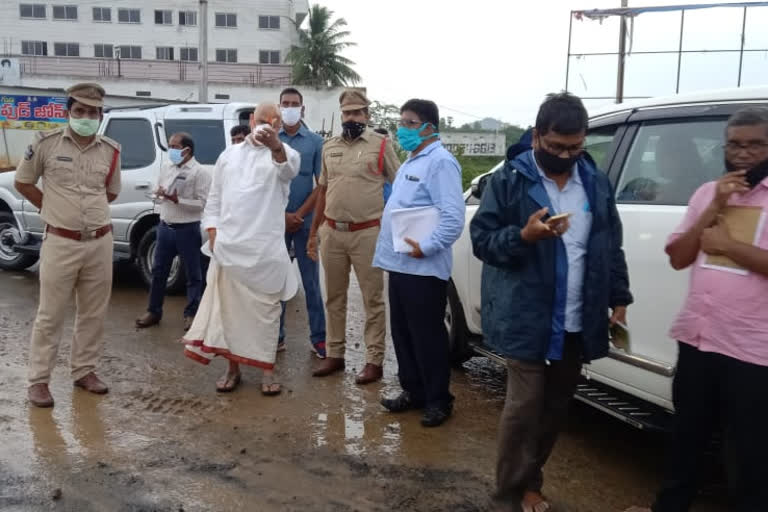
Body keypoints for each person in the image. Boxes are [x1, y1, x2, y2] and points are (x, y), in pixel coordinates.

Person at [470, 92, 632, 512]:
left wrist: (619, 297)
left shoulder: (594, 181)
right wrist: (522, 237)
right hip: (527, 311)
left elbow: (610, 243)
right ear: (538, 136)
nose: (565, 155)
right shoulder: (510, 180)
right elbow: (482, 241)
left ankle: (530, 483)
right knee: (523, 409)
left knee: (556, 408)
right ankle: (506, 495)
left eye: (575, 147)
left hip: (576, 315)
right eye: (556, 146)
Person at [625, 108, 768, 512]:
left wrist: (729, 247)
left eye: (755, 144)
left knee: (750, 456)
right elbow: (679, 257)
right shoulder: (706, 193)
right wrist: (715, 205)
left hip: (753, 351)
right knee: (685, 441)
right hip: (699, 339)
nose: (744, 154)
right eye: (736, 145)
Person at [14, 83, 122, 408]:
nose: (86, 117)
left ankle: (84, 371)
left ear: (101, 115)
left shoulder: (111, 150)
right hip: (60, 241)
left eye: (93, 112)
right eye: (80, 111)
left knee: (93, 313)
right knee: (50, 314)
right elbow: (23, 181)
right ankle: (39, 381)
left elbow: (111, 192)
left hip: (100, 241)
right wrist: (51, 208)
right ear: (68, 112)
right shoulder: (45, 144)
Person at [181, 103, 299, 396]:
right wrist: (212, 232)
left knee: (267, 315)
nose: (266, 126)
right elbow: (215, 200)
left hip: (266, 252)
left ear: (280, 126)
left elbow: (287, 171)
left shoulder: (285, 154)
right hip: (229, 248)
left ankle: (267, 371)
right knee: (229, 314)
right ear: (250, 120)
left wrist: (275, 147)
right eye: (261, 120)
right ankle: (232, 369)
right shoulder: (228, 155)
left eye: (274, 123)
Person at [374, 99, 465, 427]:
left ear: (429, 127)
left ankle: (439, 399)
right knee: (403, 333)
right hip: (400, 265)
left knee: (428, 336)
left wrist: (425, 247)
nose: (402, 129)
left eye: (410, 123)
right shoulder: (413, 160)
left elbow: (454, 219)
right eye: (401, 123)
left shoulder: (441, 162)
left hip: (423, 268)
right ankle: (413, 390)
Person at [307, 90, 400, 384]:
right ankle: (335, 354)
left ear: (367, 115)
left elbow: (400, 186)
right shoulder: (328, 147)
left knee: (373, 300)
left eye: (358, 112)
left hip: (367, 233)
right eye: (347, 113)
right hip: (333, 233)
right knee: (334, 298)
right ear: (341, 114)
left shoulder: (382, 145)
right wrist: (314, 232)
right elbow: (322, 190)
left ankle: (374, 360)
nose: (352, 118)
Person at [135, 132, 212, 331]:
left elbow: (203, 204)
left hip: (187, 228)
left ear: (187, 150)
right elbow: (157, 193)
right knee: (159, 271)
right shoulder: (167, 167)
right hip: (165, 227)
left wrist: (180, 200)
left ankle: (191, 314)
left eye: (175, 146)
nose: (171, 150)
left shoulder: (200, 172)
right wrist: (159, 194)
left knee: (193, 274)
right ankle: (153, 311)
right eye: (170, 146)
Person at [276, 87, 327, 358]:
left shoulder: (316, 142)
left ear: (303, 109)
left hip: (305, 224)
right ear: (279, 106)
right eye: (285, 103)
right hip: (275, 223)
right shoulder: (272, 139)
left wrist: (298, 216)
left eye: (295, 103)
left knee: (311, 285)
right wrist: (282, 216)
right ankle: (276, 336)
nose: (290, 107)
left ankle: (319, 339)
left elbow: (322, 185)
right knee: (276, 283)